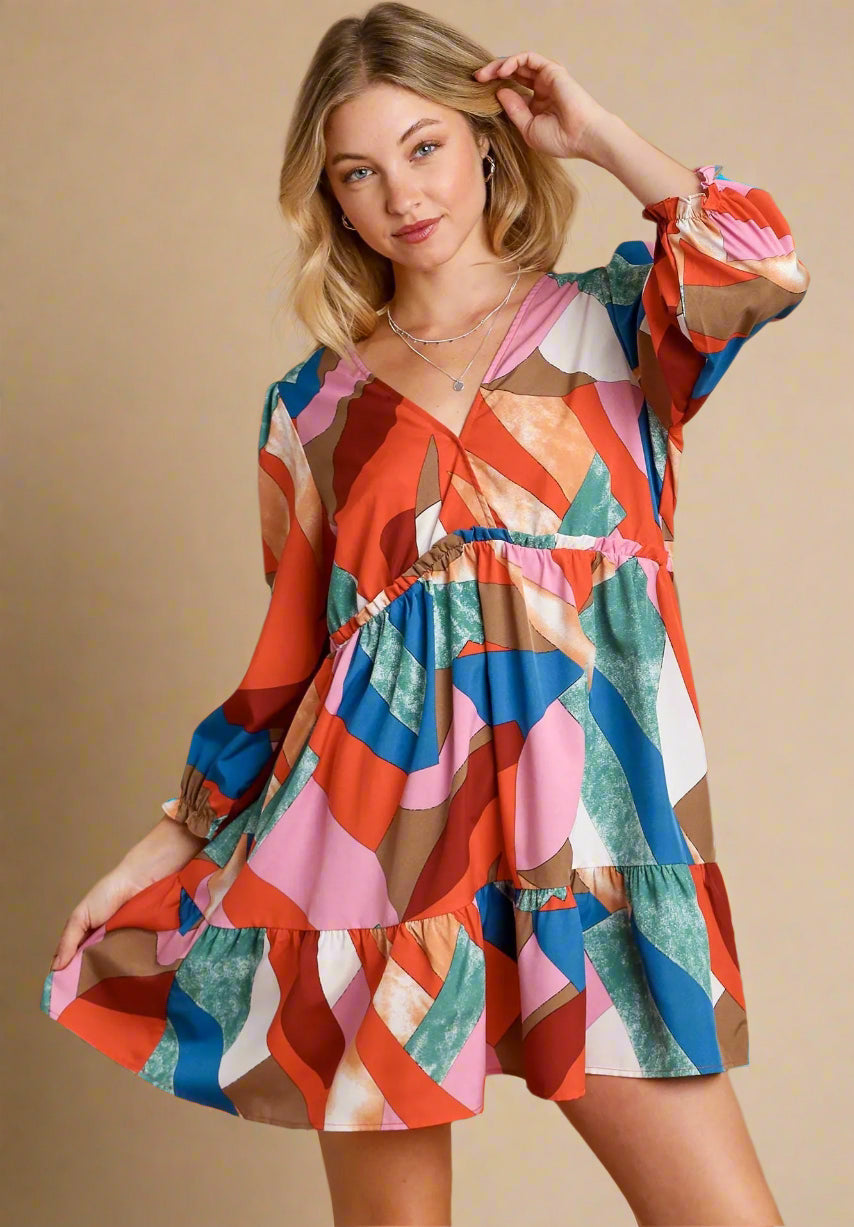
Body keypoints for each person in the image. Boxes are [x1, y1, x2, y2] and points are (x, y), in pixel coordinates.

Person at [40, 4, 809, 1224]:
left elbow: (762, 267)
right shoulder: (314, 409)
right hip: (373, 867)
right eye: (358, 170)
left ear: (486, 144)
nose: (400, 193)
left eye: (423, 146)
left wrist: (598, 133)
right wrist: (176, 835)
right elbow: (288, 667)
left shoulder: (612, 324)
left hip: (593, 848)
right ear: (331, 199)